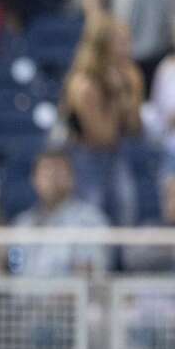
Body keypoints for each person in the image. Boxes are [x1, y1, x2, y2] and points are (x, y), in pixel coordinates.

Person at [61, 12, 143, 226]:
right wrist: (117, 96)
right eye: (121, 43)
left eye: (128, 41)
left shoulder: (131, 76)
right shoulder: (84, 84)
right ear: (103, 47)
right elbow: (101, 136)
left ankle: (124, 260)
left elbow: (135, 127)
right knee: (92, 215)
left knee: (126, 207)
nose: (127, 49)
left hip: (118, 154)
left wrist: (130, 92)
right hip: (86, 158)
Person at [10, 148, 110, 277]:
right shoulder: (21, 224)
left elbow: (91, 274)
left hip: (70, 295)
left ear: (72, 178)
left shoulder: (90, 220)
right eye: (46, 171)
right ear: (34, 179)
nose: (52, 177)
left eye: (58, 171)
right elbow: (15, 270)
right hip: (25, 295)